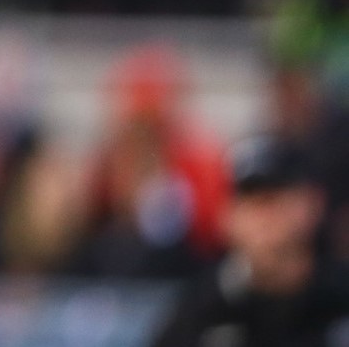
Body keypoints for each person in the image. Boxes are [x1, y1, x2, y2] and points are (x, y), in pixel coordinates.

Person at [149, 136, 349, 347]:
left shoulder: (340, 300)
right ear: (227, 216)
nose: (262, 218)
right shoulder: (203, 309)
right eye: (248, 202)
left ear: (314, 203)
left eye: (274, 198)